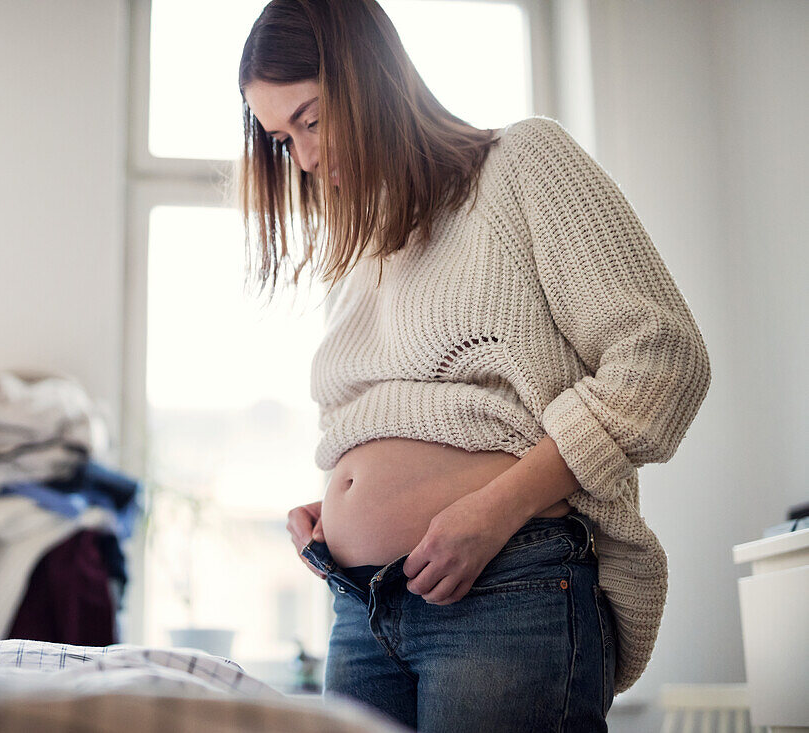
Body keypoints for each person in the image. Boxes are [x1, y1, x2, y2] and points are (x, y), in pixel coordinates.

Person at [236, 1, 711, 731]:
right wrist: (335, 507)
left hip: (505, 586)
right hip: (360, 609)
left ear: (370, 80)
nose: (301, 158)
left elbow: (662, 357)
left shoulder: (520, 164)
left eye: (310, 119)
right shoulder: (361, 249)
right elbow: (416, 420)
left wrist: (496, 508)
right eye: (279, 139)